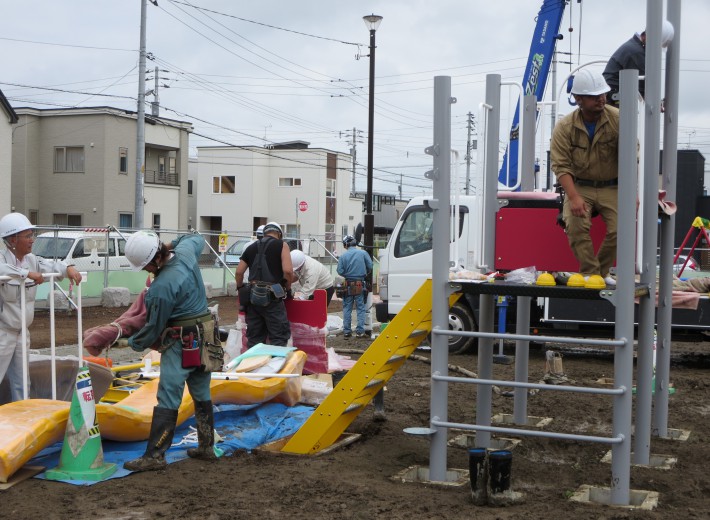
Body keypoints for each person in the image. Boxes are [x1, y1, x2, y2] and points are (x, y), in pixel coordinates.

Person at [122, 230, 219, 472]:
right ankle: (206, 446)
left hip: (180, 341)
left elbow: (154, 327)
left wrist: (131, 342)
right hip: (206, 336)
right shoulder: (185, 254)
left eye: (146, 266)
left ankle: (155, 455)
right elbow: (195, 237)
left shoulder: (161, 287)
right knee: (201, 390)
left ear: (155, 259)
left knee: (168, 396)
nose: (146, 271)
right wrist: (171, 243)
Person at [0, 213, 82, 402]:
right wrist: (26, 274)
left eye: (32, 235)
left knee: (22, 381)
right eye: (27, 236)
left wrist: (68, 268)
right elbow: (3, 270)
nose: (32, 240)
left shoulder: (32, 260)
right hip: (3, 331)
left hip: (22, 332)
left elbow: (51, 266)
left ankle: (22, 419)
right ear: (13, 239)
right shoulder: (3, 260)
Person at [550, 69, 620, 286]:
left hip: (613, 184)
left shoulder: (618, 119)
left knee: (622, 228)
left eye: (603, 94)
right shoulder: (565, 126)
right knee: (575, 223)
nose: (601, 99)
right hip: (580, 185)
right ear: (578, 99)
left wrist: (633, 193)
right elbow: (560, 164)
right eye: (594, 95)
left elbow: (632, 157)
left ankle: (600, 272)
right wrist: (573, 196)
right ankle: (591, 273)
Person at [235, 222, 293, 348]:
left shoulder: (251, 247)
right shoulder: (282, 245)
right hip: (273, 297)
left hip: (253, 298)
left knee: (255, 340)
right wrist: (287, 289)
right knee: (278, 337)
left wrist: (240, 288)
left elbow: (239, 272)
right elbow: (288, 271)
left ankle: (254, 366)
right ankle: (276, 366)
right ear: (279, 233)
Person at [602, 21, 674, 107]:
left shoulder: (635, 46)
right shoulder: (636, 53)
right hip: (614, 99)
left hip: (615, 96)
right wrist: (656, 104)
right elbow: (645, 90)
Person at [337, 235, 372, 338]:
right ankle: (360, 331)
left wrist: (348, 274)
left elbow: (340, 271)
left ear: (346, 244)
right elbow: (370, 266)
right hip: (359, 284)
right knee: (360, 308)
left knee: (347, 308)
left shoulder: (343, 256)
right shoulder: (363, 253)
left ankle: (347, 331)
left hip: (347, 284)